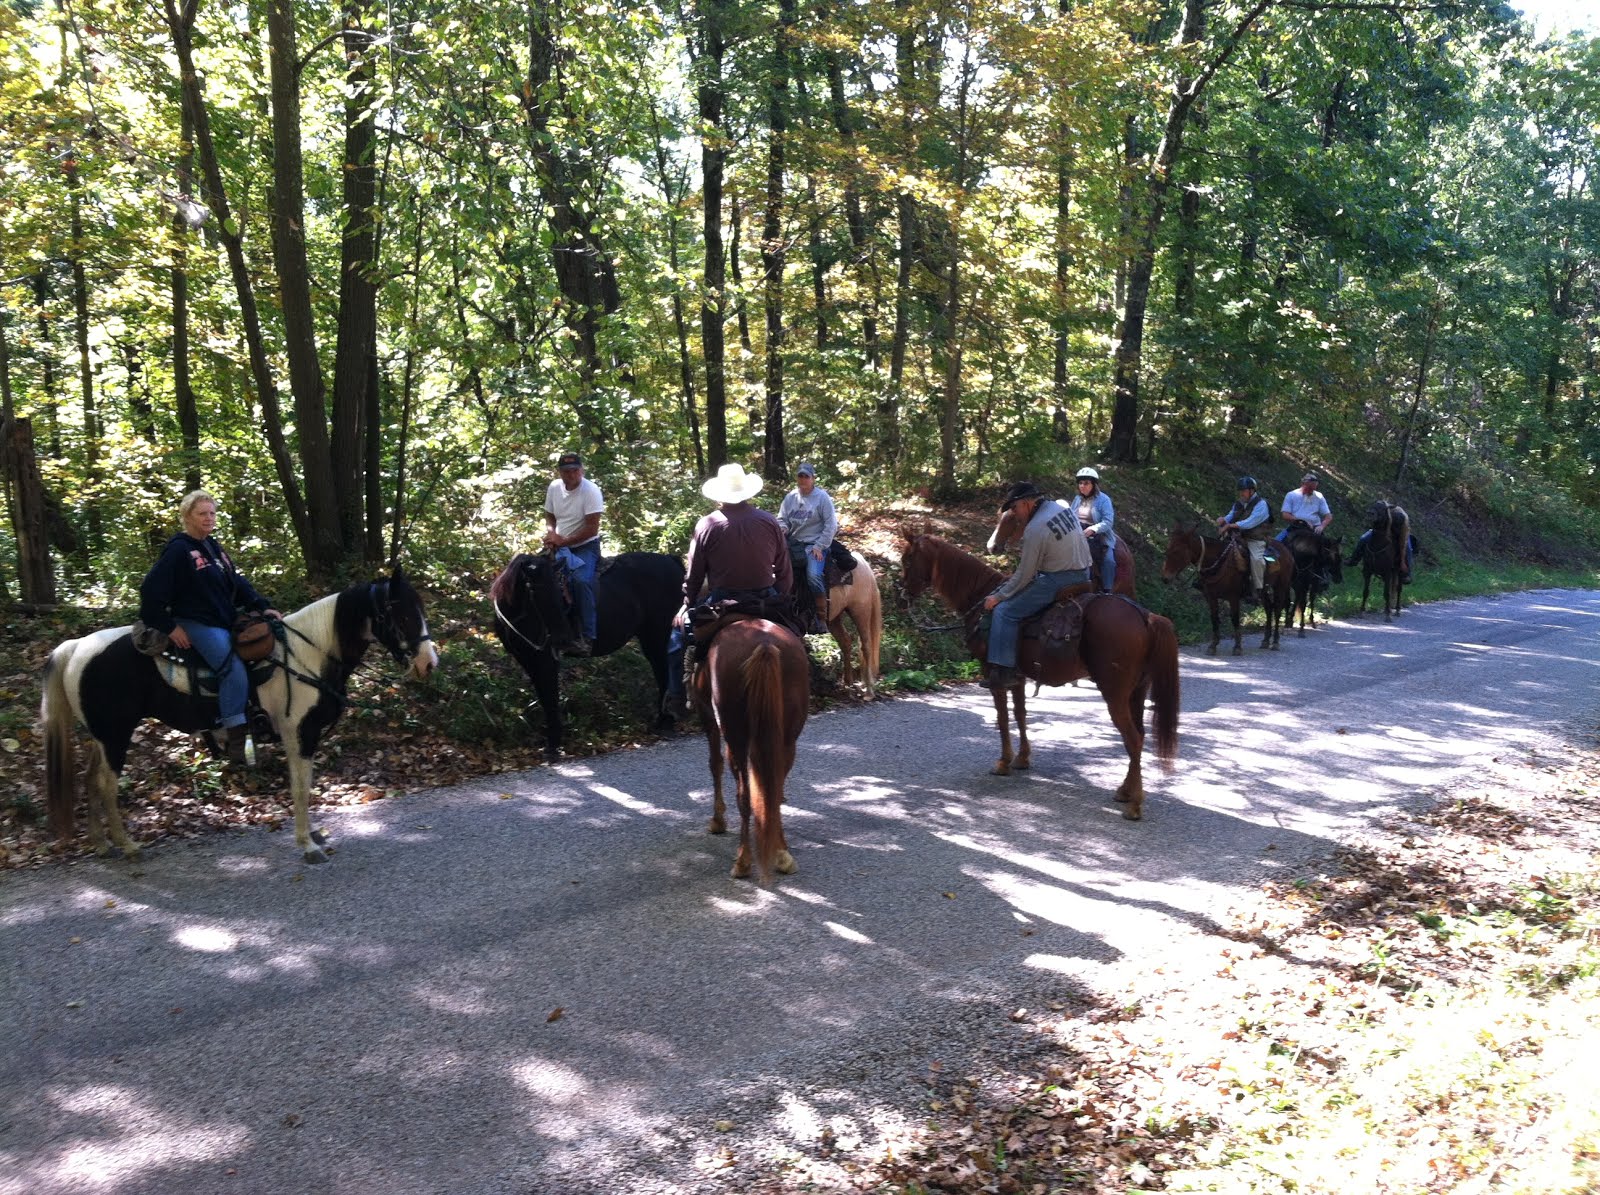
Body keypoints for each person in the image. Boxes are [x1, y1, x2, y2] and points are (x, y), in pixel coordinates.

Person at [138, 490, 281, 763]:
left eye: (212, 513)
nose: (209, 518)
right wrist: (169, 627)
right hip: (196, 622)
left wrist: (262, 606)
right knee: (233, 670)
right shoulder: (179, 550)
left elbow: (237, 584)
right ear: (187, 516)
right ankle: (235, 746)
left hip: (223, 620)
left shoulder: (213, 546)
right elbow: (150, 592)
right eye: (202, 513)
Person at [663, 464, 794, 720]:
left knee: (676, 641)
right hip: (765, 599)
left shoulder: (707, 525)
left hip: (722, 601)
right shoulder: (769, 521)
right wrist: (780, 597)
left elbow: (695, 575)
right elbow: (785, 571)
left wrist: (687, 604)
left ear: (720, 494)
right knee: (796, 636)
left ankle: (677, 697)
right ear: (748, 492)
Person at [982, 482, 1091, 691]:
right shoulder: (1060, 508)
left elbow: (1025, 574)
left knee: (1005, 612)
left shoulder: (1035, 528)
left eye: (1015, 508)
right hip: (1084, 572)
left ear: (1026, 503)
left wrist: (999, 597)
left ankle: (1005, 672)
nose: (1015, 514)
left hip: (1059, 579)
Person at [542, 451, 604, 655]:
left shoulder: (591, 491)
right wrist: (552, 534)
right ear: (560, 472)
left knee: (581, 581)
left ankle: (588, 636)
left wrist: (563, 541)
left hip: (585, 546)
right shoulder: (554, 488)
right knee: (537, 577)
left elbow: (591, 528)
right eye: (567, 471)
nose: (571, 474)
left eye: (575, 470)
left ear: (582, 470)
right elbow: (550, 514)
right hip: (560, 543)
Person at [778, 462, 837, 634]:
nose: (803, 479)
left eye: (806, 476)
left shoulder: (822, 498)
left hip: (815, 544)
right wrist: (783, 528)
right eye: (800, 476)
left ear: (813, 479)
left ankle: (820, 618)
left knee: (813, 575)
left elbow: (831, 524)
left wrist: (820, 546)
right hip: (794, 544)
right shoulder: (790, 497)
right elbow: (782, 518)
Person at [1215, 476, 1273, 602]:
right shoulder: (1239, 503)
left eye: (1244, 490)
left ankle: (1258, 590)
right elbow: (1231, 515)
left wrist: (1230, 525)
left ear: (1252, 491)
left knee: (1257, 559)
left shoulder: (1261, 504)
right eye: (1240, 491)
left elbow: (1250, 522)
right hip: (1238, 537)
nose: (1241, 493)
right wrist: (1224, 519)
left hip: (1255, 539)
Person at [1072, 466, 1118, 593]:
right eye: (1080, 483)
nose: (1082, 486)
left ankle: (1107, 590)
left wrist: (1093, 529)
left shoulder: (1104, 500)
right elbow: (1071, 516)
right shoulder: (1077, 499)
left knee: (1109, 561)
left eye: (1086, 483)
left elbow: (1108, 521)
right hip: (1078, 534)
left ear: (1094, 484)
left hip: (1098, 535)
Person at [1277, 472, 1332, 543]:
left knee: (1327, 550)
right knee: (1275, 544)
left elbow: (1328, 516)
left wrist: (1321, 526)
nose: (1311, 491)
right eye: (1310, 488)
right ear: (1303, 484)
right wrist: (1302, 521)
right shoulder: (1291, 495)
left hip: (1314, 529)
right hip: (1296, 527)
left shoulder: (1319, 496)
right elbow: (1285, 515)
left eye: (1314, 489)